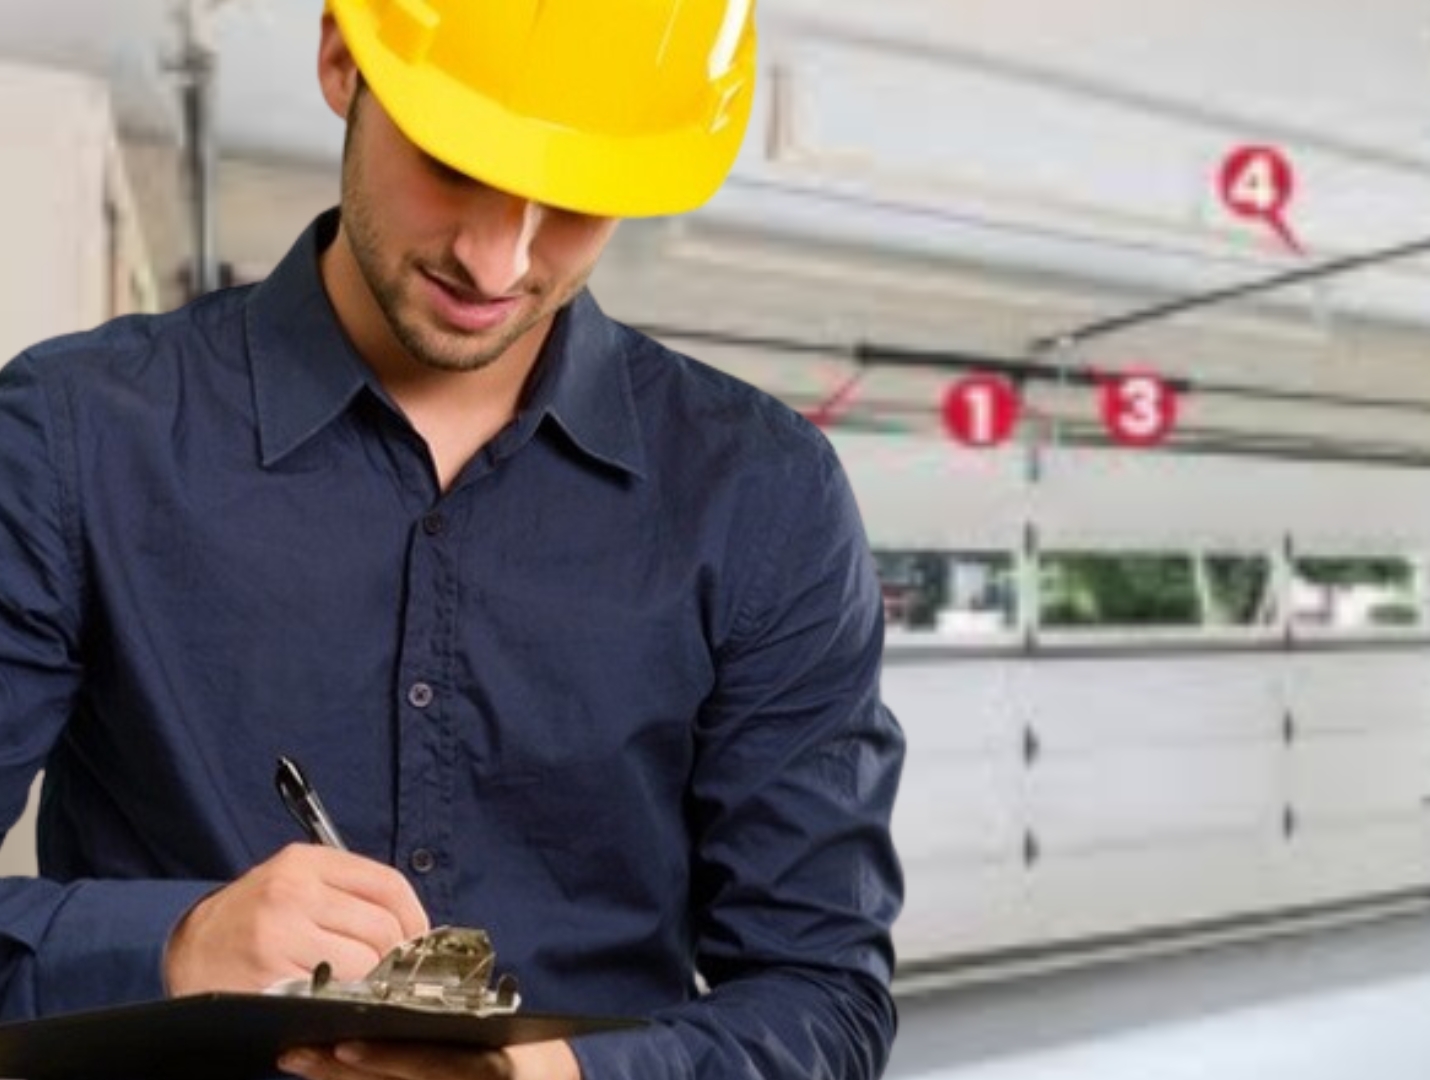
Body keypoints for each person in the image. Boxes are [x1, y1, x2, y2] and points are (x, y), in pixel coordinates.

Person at [0, 2, 906, 1079]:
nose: (496, 259)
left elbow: (824, 1000)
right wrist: (174, 948)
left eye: (575, 198)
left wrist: (548, 1076)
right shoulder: (72, 435)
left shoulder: (764, 496)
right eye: (453, 162)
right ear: (343, 59)